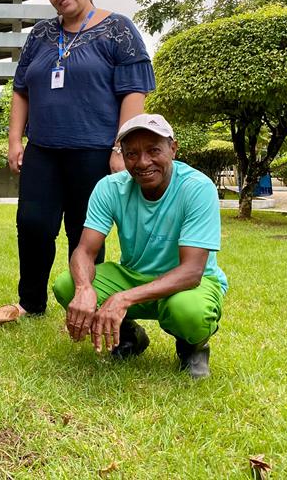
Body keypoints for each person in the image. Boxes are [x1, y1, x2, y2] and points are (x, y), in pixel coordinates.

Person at [0, 0, 155, 324]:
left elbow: (134, 93)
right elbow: (21, 89)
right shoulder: (42, 35)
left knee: (85, 229)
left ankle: (84, 299)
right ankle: (30, 302)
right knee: (32, 224)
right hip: (43, 149)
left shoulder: (118, 29)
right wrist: (15, 140)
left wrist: (120, 149)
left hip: (94, 150)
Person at [52, 114, 226, 379]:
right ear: (122, 155)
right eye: (132, 153)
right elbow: (85, 251)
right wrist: (84, 288)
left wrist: (123, 298)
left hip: (188, 283)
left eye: (154, 150)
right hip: (134, 275)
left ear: (173, 148)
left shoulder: (197, 188)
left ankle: (192, 347)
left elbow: (192, 271)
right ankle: (128, 335)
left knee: (188, 312)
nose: (143, 162)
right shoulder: (110, 188)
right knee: (67, 286)